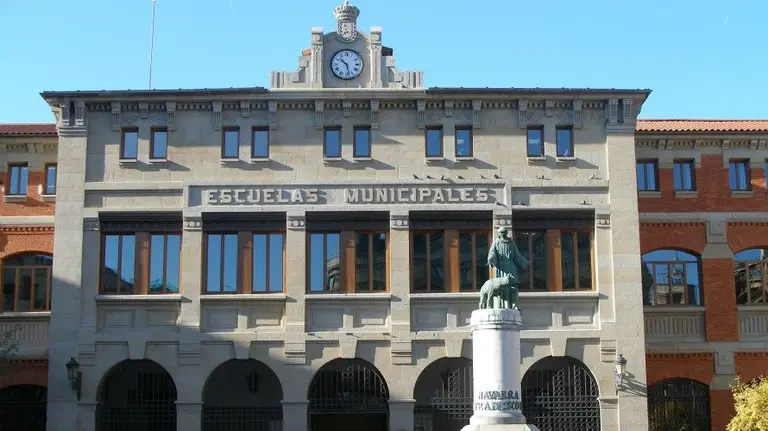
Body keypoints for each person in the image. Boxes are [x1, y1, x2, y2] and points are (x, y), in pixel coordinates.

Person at [486, 226, 530, 309]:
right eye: (500, 232)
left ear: (506, 233)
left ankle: (514, 304)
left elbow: (517, 255)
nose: (502, 234)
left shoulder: (511, 243)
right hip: (500, 267)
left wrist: (525, 262)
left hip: (510, 267)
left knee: (513, 285)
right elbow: (492, 253)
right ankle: (501, 305)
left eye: (503, 232)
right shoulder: (496, 243)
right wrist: (491, 259)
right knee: (501, 286)